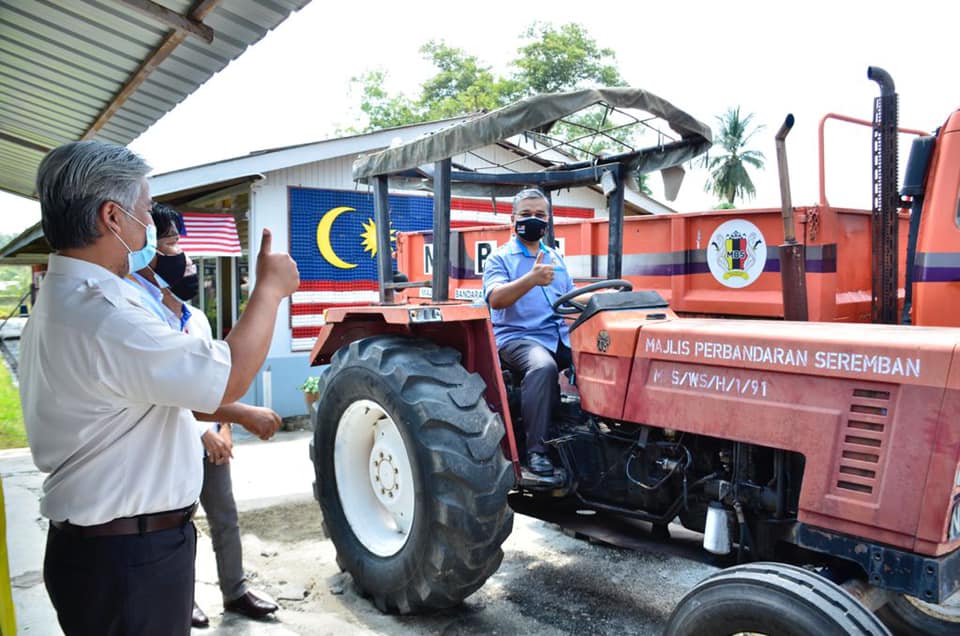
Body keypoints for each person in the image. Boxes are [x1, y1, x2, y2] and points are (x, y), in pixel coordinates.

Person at [20, 140, 300, 635]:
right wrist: (270, 290)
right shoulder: (103, 316)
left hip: (110, 550)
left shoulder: (69, 300)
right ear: (112, 217)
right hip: (127, 559)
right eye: (145, 212)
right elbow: (228, 374)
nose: (150, 227)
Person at [128, 202, 280, 627]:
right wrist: (209, 431)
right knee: (178, 530)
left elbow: (211, 381)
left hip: (213, 437)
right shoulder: (138, 315)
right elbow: (166, 394)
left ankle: (235, 591)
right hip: (175, 445)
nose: (187, 258)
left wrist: (225, 428)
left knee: (225, 518)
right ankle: (184, 598)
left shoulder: (194, 317)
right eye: (174, 244)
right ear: (144, 252)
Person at [482, 188, 575, 476]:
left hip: (557, 336)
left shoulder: (554, 258)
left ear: (547, 220)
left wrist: (606, 297)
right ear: (513, 219)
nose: (532, 220)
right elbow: (496, 298)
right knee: (543, 366)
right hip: (517, 338)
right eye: (525, 215)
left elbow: (569, 297)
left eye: (539, 215)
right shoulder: (500, 258)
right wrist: (531, 279)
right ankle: (536, 452)